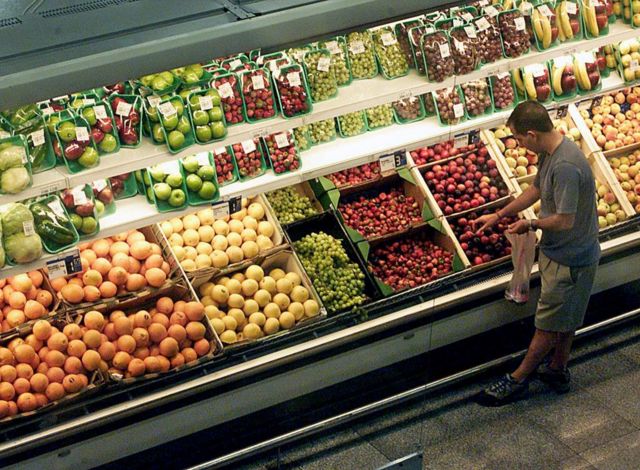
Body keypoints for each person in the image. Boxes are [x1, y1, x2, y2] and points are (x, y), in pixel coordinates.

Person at [474, 101, 600, 406]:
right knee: (565, 317)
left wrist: (530, 223)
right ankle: (557, 368)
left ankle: (517, 380)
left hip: (571, 258)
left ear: (531, 134)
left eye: (518, 138)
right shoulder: (552, 152)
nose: (518, 144)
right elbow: (536, 190)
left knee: (546, 323)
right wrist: (500, 214)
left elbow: (564, 219)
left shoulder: (566, 166)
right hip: (563, 251)